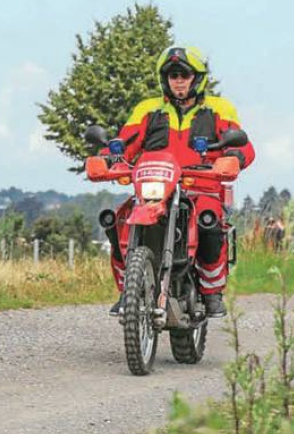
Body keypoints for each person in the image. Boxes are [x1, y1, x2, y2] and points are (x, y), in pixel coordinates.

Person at [106, 46, 255, 318]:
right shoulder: (147, 109)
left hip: (201, 188)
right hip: (154, 188)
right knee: (118, 220)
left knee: (209, 219)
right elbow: (124, 144)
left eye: (184, 75)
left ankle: (212, 292)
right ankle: (126, 292)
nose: (178, 80)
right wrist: (107, 158)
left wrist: (234, 155)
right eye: (173, 75)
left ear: (197, 78)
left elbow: (243, 145)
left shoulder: (219, 109)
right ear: (165, 79)